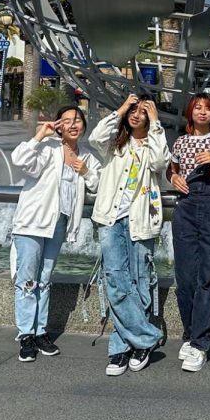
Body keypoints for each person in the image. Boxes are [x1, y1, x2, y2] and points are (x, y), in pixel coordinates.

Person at [8, 106, 101, 362]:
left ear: (83, 124)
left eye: (78, 120)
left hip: (58, 226)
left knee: (45, 279)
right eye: (67, 121)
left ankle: (40, 332)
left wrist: (85, 171)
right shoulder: (48, 148)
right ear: (59, 125)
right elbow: (20, 160)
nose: (73, 125)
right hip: (32, 223)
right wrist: (39, 135)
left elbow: (98, 184)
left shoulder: (87, 157)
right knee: (27, 280)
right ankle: (26, 334)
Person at [89, 93, 168, 377]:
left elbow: (161, 163)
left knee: (140, 280)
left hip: (141, 221)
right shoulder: (115, 144)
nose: (137, 115)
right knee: (115, 279)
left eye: (142, 111)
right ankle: (145, 338)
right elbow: (95, 137)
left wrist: (157, 123)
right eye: (133, 111)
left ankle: (123, 347)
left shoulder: (153, 143)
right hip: (111, 219)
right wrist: (120, 108)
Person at [168, 93, 210, 373]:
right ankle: (190, 332)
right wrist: (173, 177)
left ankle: (200, 342)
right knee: (185, 277)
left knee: (208, 276)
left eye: (208, 108)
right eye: (198, 108)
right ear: (190, 113)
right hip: (185, 209)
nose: (203, 112)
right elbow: (173, 169)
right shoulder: (180, 142)